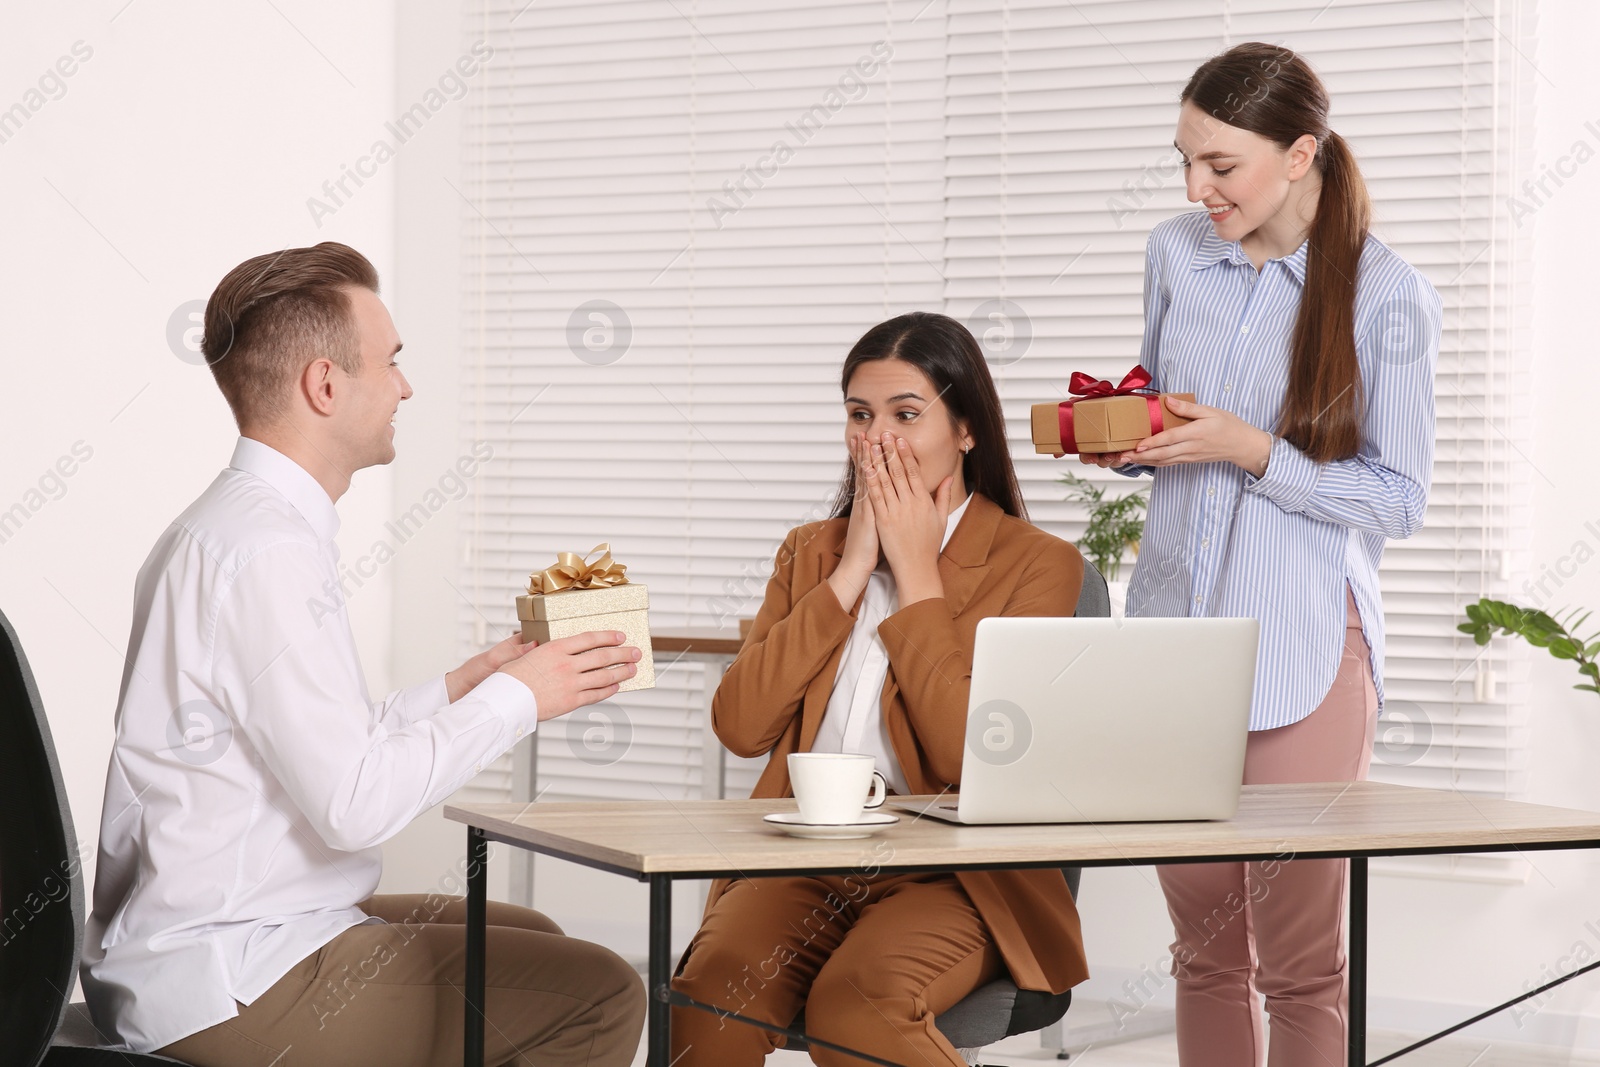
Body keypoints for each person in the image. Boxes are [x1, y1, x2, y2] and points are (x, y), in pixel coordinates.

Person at [81, 242, 647, 1066]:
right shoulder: (266, 551)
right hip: (227, 978)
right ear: (324, 384)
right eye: (391, 362)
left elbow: (310, 746)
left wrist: (462, 688)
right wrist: (522, 697)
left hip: (213, 935)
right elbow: (353, 803)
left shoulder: (234, 527)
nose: (406, 387)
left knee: (528, 935)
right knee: (600, 991)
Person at [1076, 43, 1441, 1066]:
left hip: (1304, 657)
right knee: (1201, 954)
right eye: (1184, 160)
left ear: (1299, 154)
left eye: (1221, 166)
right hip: (1170, 649)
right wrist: (1125, 438)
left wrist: (1255, 451)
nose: (1198, 188)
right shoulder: (1174, 252)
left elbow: (1398, 498)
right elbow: (1162, 412)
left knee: (1299, 966)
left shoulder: (1384, 293)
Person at [670, 311, 1089, 1066]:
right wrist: (850, 572)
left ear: (966, 430)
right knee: (710, 992)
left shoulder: (1038, 563)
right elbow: (739, 724)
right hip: (806, 857)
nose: (878, 439)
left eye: (906, 414)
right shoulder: (811, 552)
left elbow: (978, 754)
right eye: (860, 415)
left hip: (955, 873)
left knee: (855, 1003)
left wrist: (917, 573)